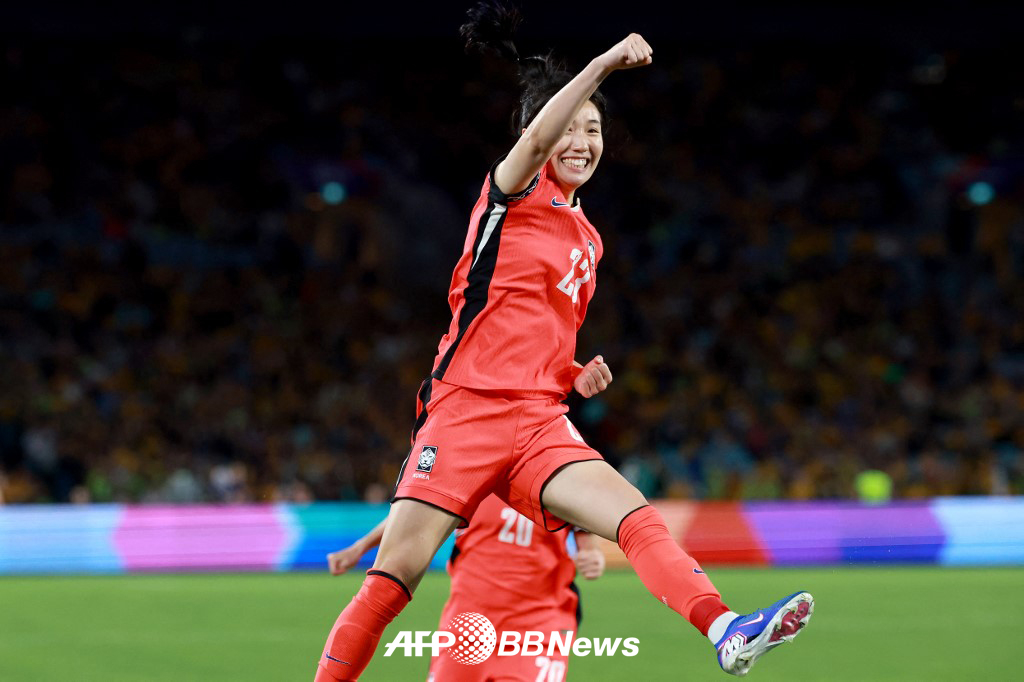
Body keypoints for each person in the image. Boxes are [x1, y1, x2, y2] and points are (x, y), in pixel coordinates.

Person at [314, 4, 813, 680]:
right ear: (537, 135)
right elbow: (538, 146)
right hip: (466, 411)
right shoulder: (509, 194)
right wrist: (603, 64)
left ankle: (725, 627)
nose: (582, 141)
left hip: (537, 421)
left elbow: (533, 329)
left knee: (635, 517)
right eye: (571, 128)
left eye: (595, 129)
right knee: (395, 575)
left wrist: (573, 373)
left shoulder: (588, 237)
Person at [327, 494, 606, 681]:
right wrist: (360, 547)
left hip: (537, 624)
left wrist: (591, 553)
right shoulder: (467, 467)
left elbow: (584, 515)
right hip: (467, 625)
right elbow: (416, 512)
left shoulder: (551, 455)